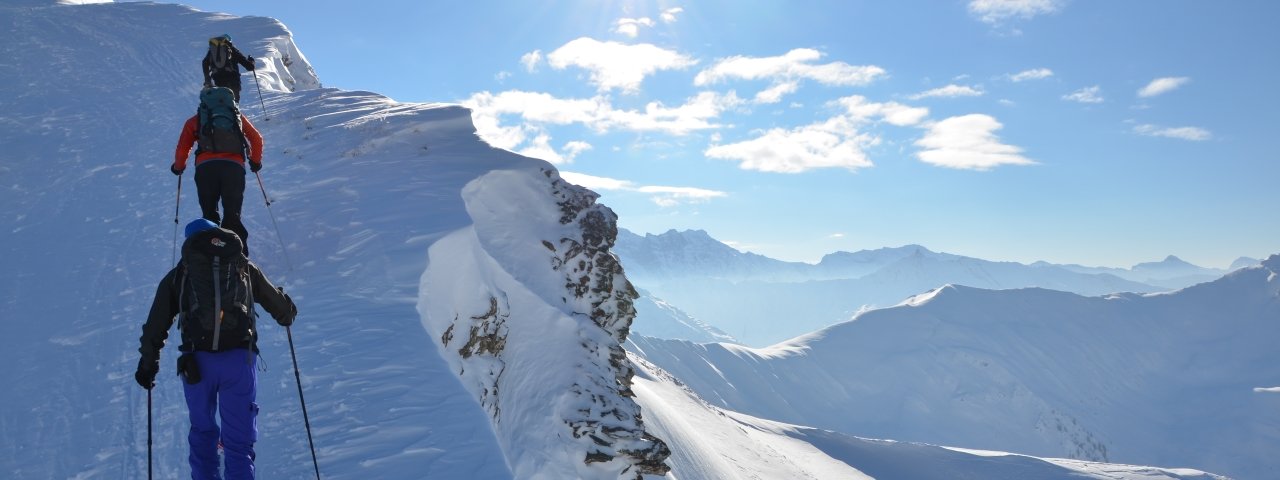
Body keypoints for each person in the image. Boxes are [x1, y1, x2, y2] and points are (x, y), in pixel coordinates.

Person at [135, 219, 297, 480]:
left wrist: (147, 366)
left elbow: (155, 326)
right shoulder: (242, 266)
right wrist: (287, 311)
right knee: (239, 443)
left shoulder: (180, 273)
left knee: (202, 432)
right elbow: (283, 311)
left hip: (197, 365)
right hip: (239, 361)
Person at [172, 87, 264, 256]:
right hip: (234, 168)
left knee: (209, 214)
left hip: (206, 169)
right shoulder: (237, 118)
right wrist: (255, 162)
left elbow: (183, 147)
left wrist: (178, 167)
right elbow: (256, 139)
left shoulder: (196, 120)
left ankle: (212, 255)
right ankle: (239, 257)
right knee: (232, 213)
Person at [203, 34, 256, 102]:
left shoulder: (211, 52)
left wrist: (207, 79)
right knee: (234, 105)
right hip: (234, 83)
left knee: (222, 104)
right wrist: (252, 61)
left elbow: (204, 63)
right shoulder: (233, 50)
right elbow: (250, 67)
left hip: (218, 82)